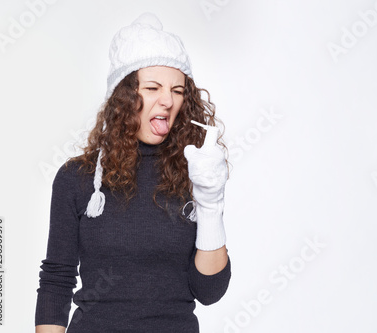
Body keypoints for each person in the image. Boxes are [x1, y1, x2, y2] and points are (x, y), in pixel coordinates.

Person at [35, 12, 231, 333]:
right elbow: (57, 279)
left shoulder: (198, 172)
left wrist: (211, 203)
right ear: (124, 97)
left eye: (178, 90)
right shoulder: (77, 178)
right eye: (153, 87)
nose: (167, 100)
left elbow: (209, 291)